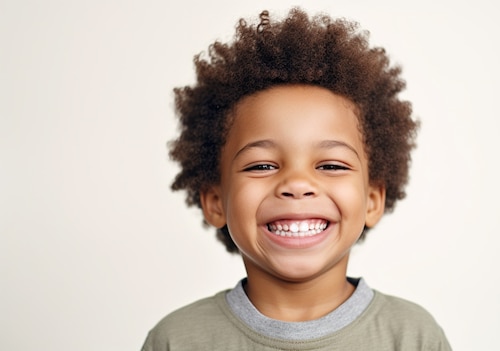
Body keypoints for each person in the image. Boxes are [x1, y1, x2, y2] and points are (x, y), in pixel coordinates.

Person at [142, 7, 451, 350]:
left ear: (373, 200)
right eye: (261, 166)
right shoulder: (177, 340)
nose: (297, 184)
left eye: (331, 165)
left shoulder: (412, 337)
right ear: (215, 201)